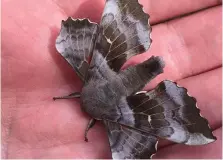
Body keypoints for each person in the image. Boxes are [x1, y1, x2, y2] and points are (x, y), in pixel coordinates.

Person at [2, 0, 222, 158]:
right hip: (101, 72)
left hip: (121, 96)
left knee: (64, 45)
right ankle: (191, 129)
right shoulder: (89, 83)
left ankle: (125, 15)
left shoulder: (106, 114)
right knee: (66, 44)